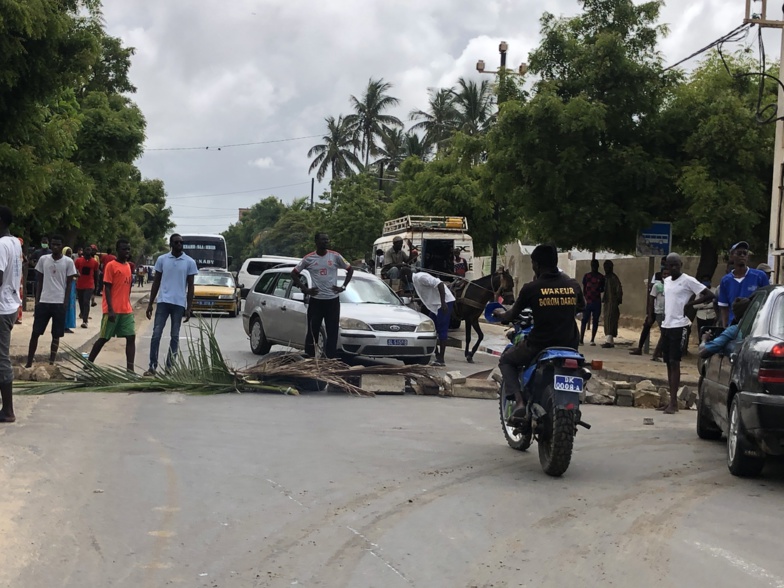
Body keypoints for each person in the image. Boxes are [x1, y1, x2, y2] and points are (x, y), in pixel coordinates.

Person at [492, 244, 585, 419]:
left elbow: (511, 314)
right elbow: (581, 306)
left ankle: (519, 402)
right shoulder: (572, 285)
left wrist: (500, 314)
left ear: (536, 265)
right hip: (569, 344)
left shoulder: (531, 288)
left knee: (506, 360)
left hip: (539, 344)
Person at [658, 253, 714, 414]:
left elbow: (709, 295)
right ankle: (671, 400)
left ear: (681, 264)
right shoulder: (667, 281)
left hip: (680, 325)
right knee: (668, 362)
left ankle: (674, 403)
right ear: (666, 266)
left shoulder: (688, 280)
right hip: (667, 325)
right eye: (671, 265)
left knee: (675, 362)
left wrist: (690, 303)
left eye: (677, 265)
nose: (674, 268)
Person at [291, 232, 353, 359]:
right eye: (323, 240)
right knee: (313, 331)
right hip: (316, 301)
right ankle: (310, 357)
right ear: (316, 241)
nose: (325, 242)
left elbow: (350, 269)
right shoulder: (309, 258)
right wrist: (306, 289)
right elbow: (294, 273)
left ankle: (330, 358)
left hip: (332, 301)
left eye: (327, 240)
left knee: (332, 331)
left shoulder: (335, 256)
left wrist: (343, 287)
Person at [144, 234, 198, 375]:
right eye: (176, 242)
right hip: (163, 302)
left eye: (181, 242)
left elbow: (191, 286)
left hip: (179, 304)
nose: (179, 244)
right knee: (156, 334)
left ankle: (169, 368)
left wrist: (189, 306)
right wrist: (150, 303)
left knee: (175, 336)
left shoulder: (189, 262)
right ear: (171, 244)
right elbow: (156, 282)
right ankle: (152, 366)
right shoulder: (162, 259)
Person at [25, 235, 77, 368]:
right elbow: (40, 281)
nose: (55, 247)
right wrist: (37, 301)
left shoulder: (68, 262)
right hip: (44, 301)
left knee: (56, 335)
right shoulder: (43, 260)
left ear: (61, 246)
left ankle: (51, 363)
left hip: (59, 302)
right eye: (53, 244)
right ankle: (29, 362)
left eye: (57, 245)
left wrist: (65, 302)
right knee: (35, 332)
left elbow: (69, 284)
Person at [88, 239, 136, 372]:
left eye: (128, 249)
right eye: (123, 249)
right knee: (103, 338)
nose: (126, 252)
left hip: (126, 309)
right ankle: (88, 365)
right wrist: (110, 309)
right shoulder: (111, 265)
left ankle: (130, 371)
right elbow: (107, 288)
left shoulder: (128, 266)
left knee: (131, 337)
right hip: (112, 309)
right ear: (117, 250)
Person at [0, 206, 23, 423]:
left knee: (1, 358)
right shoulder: (15, 242)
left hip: (1, 307)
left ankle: (7, 411)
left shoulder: (1, 245)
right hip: (11, 305)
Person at [718, 241, 768, 327]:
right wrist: (725, 327)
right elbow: (724, 307)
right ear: (732, 256)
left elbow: (767, 302)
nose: (742, 255)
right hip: (733, 326)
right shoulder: (726, 280)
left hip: (755, 325)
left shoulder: (759, 276)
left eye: (745, 253)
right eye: (739, 253)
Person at [412, 270, 455, 366]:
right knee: (431, 328)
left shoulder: (420, 277)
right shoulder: (415, 280)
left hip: (443, 303)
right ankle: (437, 354)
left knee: (442, 330)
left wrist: (443, 302)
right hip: (436, 306)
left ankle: (441, 359)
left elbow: (439, 283)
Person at [630, 270, 666, 356]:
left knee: (664, 332)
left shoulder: (671, 286)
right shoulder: (657, 285)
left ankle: (659, 351)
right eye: (664, 274)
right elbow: (651, 299)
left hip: (664, 311)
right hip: (655, 310)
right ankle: (640, 348)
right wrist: (650, 314)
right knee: (647, 327)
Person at [580, 259, 605, 346]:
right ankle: (581, 339)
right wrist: (585, 298)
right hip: (588, 301)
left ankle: (592, 339)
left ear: (598, 266)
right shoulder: (587, 276)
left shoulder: (601, 277)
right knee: (584, 320)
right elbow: (584, 288)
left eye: (595, 265)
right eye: (593, 265)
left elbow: (603, 288)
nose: (594, 267)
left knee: (595, 321)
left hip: (596, 301)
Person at [74, 245, 99, 328]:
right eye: (87, 251)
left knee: (86, 301)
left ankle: (85, 321)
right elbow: (74, 270)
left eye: (89, 251)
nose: (88, 252)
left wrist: (96, 287)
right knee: (81, 302)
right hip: (80, 285)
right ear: (84, 252)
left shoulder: (94, 262)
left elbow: (96, 275)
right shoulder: (78, 261)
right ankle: (83, 314)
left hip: (89, 285)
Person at [601, 260, 623, 348]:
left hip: (612, 302)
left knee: (610, 320)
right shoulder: (606, 277)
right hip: (607, 302)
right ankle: (610, 340)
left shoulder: (614, 278)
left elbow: (619, 291)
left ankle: (609, 340)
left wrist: (617, 300)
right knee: (607, 320)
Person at [63, 246, 77, 333]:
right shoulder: (63, 262)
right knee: (65, 305)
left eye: (70, 253)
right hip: (65, 285)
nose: (69, 255)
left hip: (71, 285)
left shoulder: (71, 262)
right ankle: (64, 325)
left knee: (70, 306)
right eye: (67, 253)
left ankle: (68, 325)